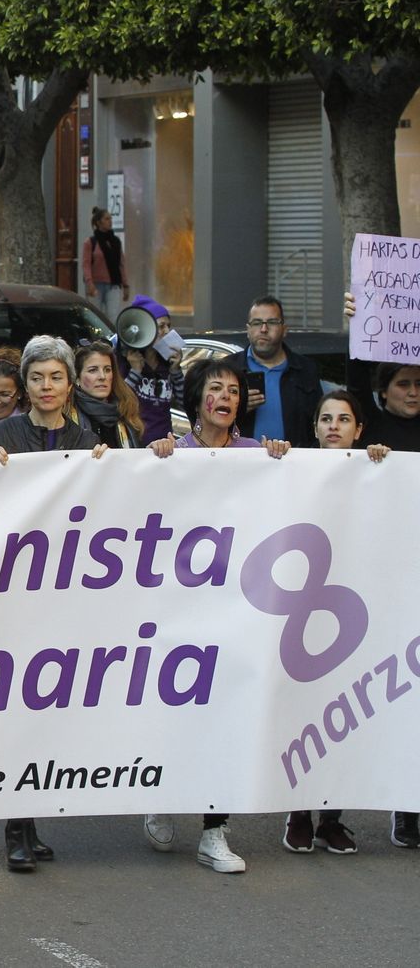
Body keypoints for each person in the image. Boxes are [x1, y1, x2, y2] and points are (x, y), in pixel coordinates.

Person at [142, 359, 289, 874]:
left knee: (226, 714)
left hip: (238, 609)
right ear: (196, 399)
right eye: (214, 389)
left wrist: (282, 462)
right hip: (179, 608)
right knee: (177, 708)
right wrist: (154, 460)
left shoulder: (258, 456)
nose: (224, 397)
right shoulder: (171, 455)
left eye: (233, 390)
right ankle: (160, 794)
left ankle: (213, 829)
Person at [0, 336, 110, 873]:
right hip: (14, 590)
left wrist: (108, 468)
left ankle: (33, 820)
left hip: (66, 588)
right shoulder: (0, 434)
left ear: (70, 382)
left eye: (56, 378)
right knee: (15, 708)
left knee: (47, 709)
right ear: (26, 384)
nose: (46, 387)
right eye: (37, 379)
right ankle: (15, 826)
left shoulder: (89, 438)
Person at [279, 390, 385, 855]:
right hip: (302, 611)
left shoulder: (376, 472)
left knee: (347, 717)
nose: (334, 426)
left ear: (359, 430)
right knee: (303, 715)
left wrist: (383, 464)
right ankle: (298, 813)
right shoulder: (292, 469)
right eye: (326, 418)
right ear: (315, 428)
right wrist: (275, 460)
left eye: (344, 419)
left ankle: (333, 819)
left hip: (357, 613)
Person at [222, 295, 321, 448]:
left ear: (284, 329)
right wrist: (238, 409)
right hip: (241, 463)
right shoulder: (228, 369)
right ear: (248, 330)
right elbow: (206, 420)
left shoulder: (305, 369)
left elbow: (319, 422)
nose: (263, 329)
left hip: (293, 463)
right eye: (257, 323)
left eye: (272, 322)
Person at [119, 293, 184, 443]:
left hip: (166, 444)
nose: (167, 331)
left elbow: (186, 403)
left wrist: (176, 371)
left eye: (168, 325)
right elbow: (120, 405)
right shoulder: (125, 362)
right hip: (137, 445)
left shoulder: (166, 363)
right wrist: (135, 372)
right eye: (161, 326)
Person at [73, 340, 143, 448]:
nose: (102, 376)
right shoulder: (66, 413)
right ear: (77, 377)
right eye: (93, 370)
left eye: (107, 370)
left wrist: (154, 448)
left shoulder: (126, 410)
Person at [82, 206, 129, 310]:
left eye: (111, 218)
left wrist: (125, 284)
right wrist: (89, 283)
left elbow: (121, 263)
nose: (110, 221)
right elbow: (86, 265)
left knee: (113, 317)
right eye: (107, 219)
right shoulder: (90, 242)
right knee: (96, 316)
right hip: (96, 284)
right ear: (99, 222)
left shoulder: (115, 241)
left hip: (113, 284)